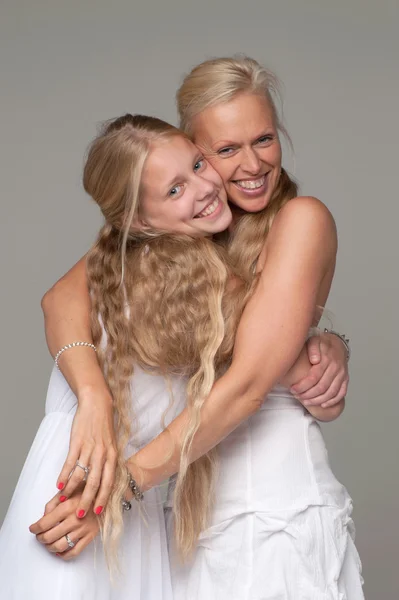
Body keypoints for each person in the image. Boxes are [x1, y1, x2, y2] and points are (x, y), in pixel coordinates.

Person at [32, 57, 362, 599]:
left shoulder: (300, 219)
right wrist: (93, 397)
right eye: (226, 150)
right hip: (186, 517)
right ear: (194, 151)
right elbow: (62, 298)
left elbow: (249, 384)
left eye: (264, 139)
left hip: (272, 510)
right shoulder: (178, 226)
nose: (253, 164)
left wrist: (117, 491)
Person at [0, 113, 243, 599]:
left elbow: (56, 299)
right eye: (174, 190)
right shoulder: (163, 267)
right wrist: (95, 399)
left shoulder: (136, 253)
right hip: (84, 479)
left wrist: (327, 341)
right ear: (138, 221)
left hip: (132, 487)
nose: (203, 187)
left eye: (198, 164)